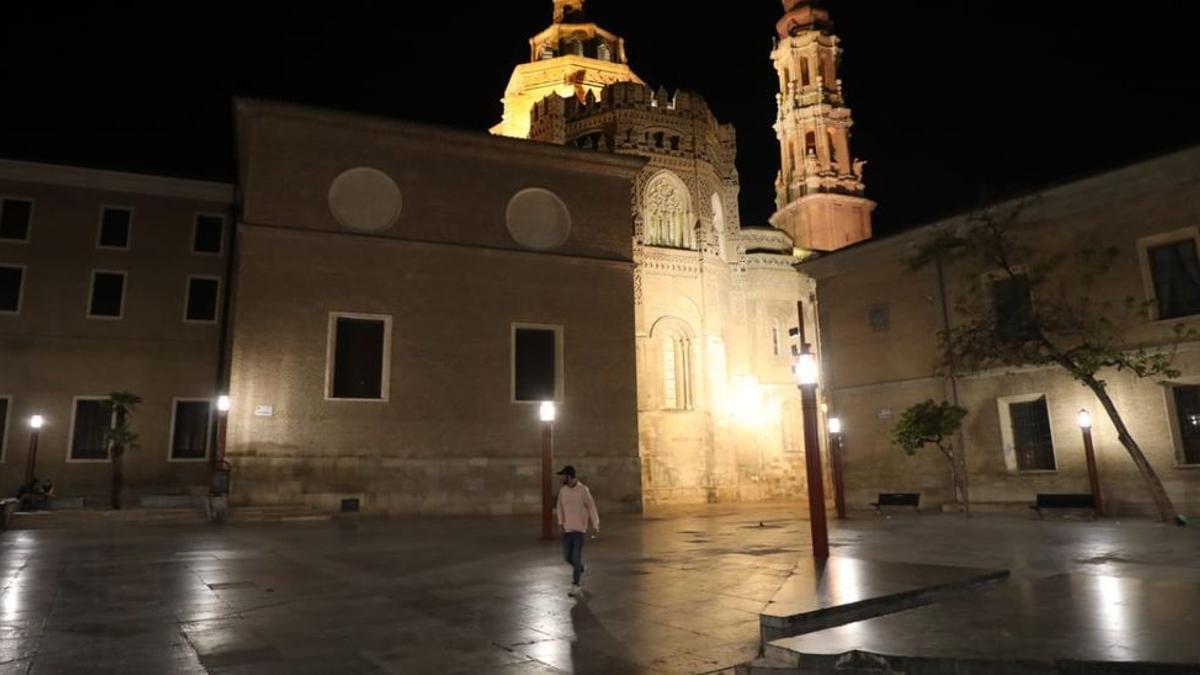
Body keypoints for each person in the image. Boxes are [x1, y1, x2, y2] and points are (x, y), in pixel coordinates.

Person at [555, 465, 599, 598]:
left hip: (579, 530)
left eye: (564, 476)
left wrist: (595, 525)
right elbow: (559, 507)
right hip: (567, 529)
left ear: (569, 476)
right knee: (567, 557)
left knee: (575, 556)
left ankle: (576, 585)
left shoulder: (583, 490)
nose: (562, 478)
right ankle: (580, 567)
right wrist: (560, 522)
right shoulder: (563, 491)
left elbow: (591, 507)